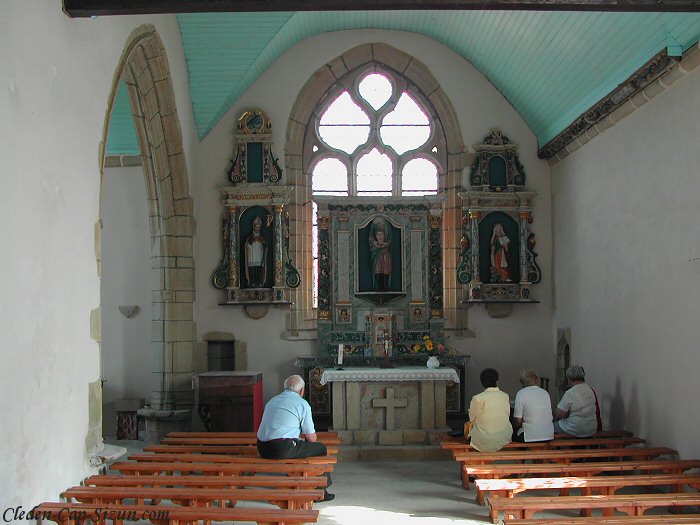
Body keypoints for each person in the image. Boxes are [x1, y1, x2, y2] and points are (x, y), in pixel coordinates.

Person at [257, 375, 335, 501]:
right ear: (302, 390)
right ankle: (319, 490)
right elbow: (311, 438)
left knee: (299, 446)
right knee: (320, 448)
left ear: (285, 388)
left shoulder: (272, 401)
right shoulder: (302, 404)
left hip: (262, 447)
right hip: (280, 449)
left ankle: (295, 479)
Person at [466, 368, 513, 452]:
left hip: (484, 439)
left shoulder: (477, 398)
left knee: (467, 426)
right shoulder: (505, 396)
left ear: (482, 382)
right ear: (497, 381)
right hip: (504, 437)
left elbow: (471, 418)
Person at [553, 364, 598, 438]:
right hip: (591, 428)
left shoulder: (571, 392)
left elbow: (559, 414)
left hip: (575, 429)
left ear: (569, 378)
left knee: (551, 428)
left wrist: (555, 418)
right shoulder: (589, 389)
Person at [512, 369, 554, 442]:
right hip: (548, 435)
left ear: (522, 382)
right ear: (536, 380)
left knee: (513, 434)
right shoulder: (545, 393)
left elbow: (518, 420)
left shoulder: (521, 393)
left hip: (529, 436)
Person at [369, 218, 392, 291]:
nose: (380, 236)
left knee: (386, 268)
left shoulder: (387, 226)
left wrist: (386, 244)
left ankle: (385, 285)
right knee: (377, 267)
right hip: (376, 252)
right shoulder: (373, 226)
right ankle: (377, 286)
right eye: (378, 235)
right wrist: (375, 243)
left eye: (382, 235)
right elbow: (371, 238)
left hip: (385, 253)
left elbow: (390, 239)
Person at [244, 215, 267, 288]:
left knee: (259, 270)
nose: (257, 229)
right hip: (252, 257)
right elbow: (247, 245)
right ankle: (252, 282)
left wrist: (263, 245)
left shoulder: (261, 238)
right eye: (256, 227)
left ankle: (259, 282)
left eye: (259, 227)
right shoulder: (250, 237)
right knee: (252, 270)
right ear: (253, 227)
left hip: (259, 257)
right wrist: (251, 243)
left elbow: (265, 245)